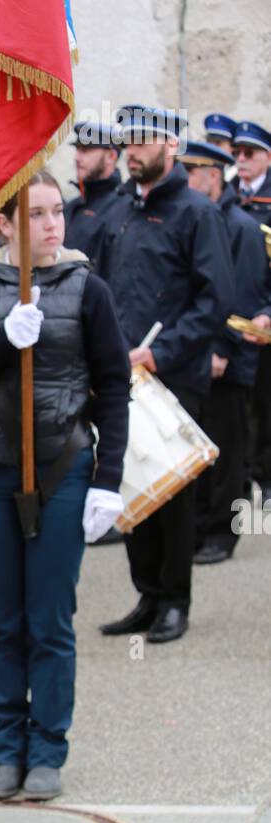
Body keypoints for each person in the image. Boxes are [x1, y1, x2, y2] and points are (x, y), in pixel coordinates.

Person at [0, 170, 131, 802]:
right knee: (3, 619)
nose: (53, 225)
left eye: (58, 212)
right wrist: (2, 340)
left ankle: (48, 747)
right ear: (5, 225)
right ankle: (7, 747)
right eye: (38, 214)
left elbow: (113, 387)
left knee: (49, 618)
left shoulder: (87, 290)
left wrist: (108, 480)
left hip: (61, 470)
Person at [97, 105, 234, 644]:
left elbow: (215, 299)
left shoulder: (197, 213)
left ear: (171, 147)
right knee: (131, 485)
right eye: (128, 140)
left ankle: (175, 600)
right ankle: (147, 595)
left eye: (144, 140)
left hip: (170, 375)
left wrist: (160, 353)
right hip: (120, 376)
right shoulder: (118, 211)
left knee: (172, 494)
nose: (133, 149)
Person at [181, 140, 271, 563]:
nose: (184, 180)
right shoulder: (203, 219)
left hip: (228, 358)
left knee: (230, 450)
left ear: (211, 177)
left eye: (190, 172)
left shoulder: (241, 226)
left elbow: (244, 298)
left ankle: (224, 531)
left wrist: (222, 349)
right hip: (198, 357)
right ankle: (200, 527)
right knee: (202, 447)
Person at [233, 120, 271, 505]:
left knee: (266, 400)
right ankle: (243, 475)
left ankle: (268, 475)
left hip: (266, 318)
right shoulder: (227, 198)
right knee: (238, 407)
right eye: (238, 154)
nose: (241, 161)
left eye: (250, 154)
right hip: (235, 321)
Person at [63, 120, 123, 267]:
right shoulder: (72, 206)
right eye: (77, 149)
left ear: (111, 156)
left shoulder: (122, 208)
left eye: (85, 150)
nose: (76, 157)